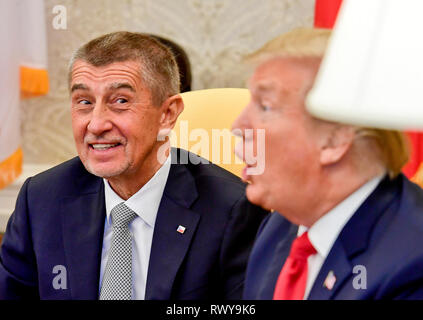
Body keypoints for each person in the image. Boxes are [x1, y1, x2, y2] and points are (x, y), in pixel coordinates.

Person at [0, 31, 267, 300]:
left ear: (167, 114)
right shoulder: (41, 199)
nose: (96, 124)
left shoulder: (231, 210)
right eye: (84, 102)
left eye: (120, 101)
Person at [232, 28, 423, 300]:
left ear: (334, 140)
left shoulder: (412, 266)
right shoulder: (280, 226)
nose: (238, 126)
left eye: (265, 106)